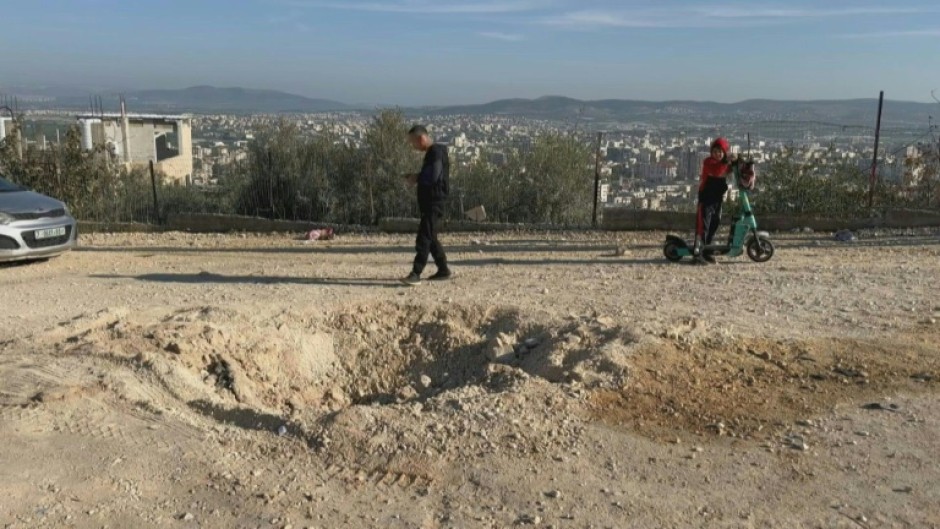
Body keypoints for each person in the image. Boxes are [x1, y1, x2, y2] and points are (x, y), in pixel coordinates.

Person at [401, 125, 452, 285]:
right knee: (431, 238)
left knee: (423, 238)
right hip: (431, 203)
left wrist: (416, 178)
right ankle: (443, 269)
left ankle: (416, 273)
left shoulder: (435, 152)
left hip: (433, 203)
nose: (413, 147)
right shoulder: (433, 152)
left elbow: (434, 176)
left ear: (421, 139)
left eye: (413, 143)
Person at [694, 137, 735, 264]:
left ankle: (707, 250)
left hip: (717, 199)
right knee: (703, 226)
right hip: (706, 198)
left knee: (714, 224)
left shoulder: (724, 164)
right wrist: (727, 162)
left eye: (720, 152)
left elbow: (728, 171)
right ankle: (698, 254)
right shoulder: (709, 162)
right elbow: (717, 171)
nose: (718, 154)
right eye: (715, 151)